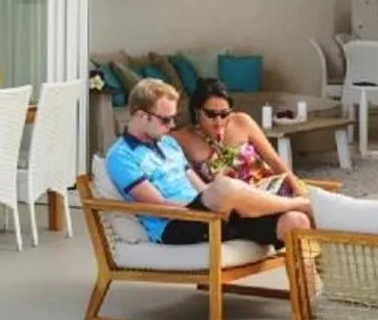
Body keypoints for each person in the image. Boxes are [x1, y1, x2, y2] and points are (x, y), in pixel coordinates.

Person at [103, 79, 312, 250]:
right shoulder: (121, 156)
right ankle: (303, 203)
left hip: (208, 215)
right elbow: (158, 206)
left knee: (295, 221)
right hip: (176, 223)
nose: (172, 126)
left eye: (173, 119)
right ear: (141, 115)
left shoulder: (167, 144)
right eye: (165, 120)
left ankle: (309, 299)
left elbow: (202, 188)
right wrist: (218, 201)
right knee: (224, 186)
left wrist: (233, 201)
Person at [172, 78, 303, 198]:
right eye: (211, 114)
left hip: (271, 190)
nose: (219, 121)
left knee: (311, 207)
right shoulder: (184, 138)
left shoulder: (241, 121)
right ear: (197, 111)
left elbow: (274, 160)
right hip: (239, 203)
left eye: (224, 114)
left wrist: (297, 190)